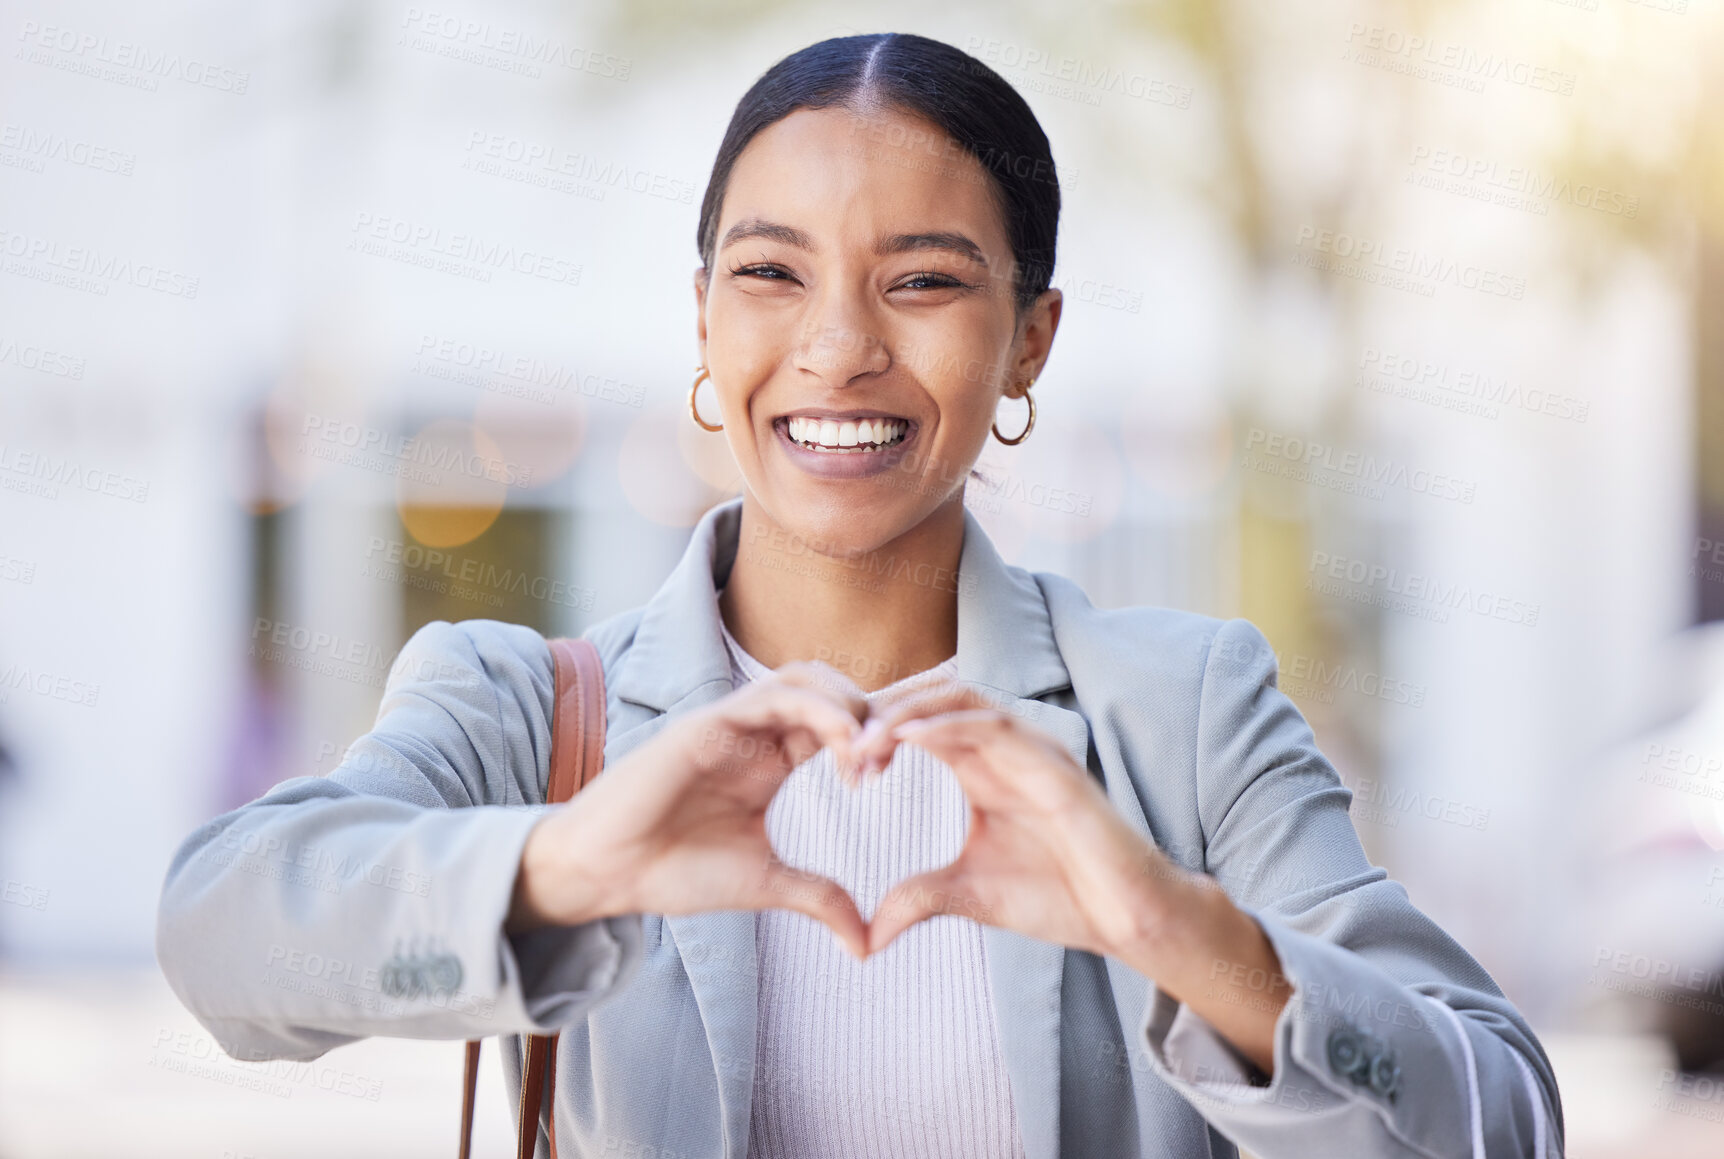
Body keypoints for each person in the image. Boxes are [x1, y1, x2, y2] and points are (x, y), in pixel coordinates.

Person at [157, 32, 1563, 1158]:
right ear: (703, 317)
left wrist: (1175, 932)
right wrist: (567, 868)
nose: (837, 347)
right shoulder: (529, 705)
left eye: (925, 283)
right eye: (771, 274)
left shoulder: (1182, 714)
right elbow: (222, 937)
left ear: (1029, 342)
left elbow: (1503, 1116)